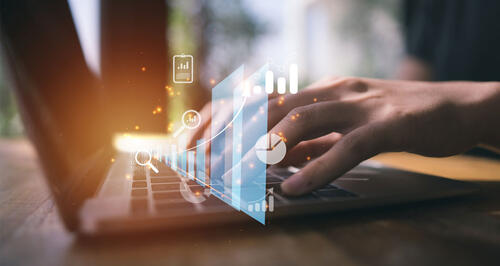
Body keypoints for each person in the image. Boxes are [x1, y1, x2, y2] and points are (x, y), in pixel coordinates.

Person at [189, 0, 500, 196]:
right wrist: (294, 109)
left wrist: (476, 108)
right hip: (442, 176)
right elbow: (411, 90)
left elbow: (433, 98)